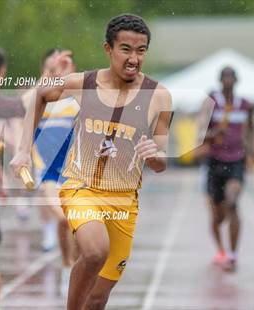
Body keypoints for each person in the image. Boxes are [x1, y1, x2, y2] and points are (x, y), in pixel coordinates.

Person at [11, 14, 172, 310]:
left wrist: (155, 154)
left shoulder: (159, 96)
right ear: (108, 49)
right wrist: (23, 149)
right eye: (126, 49)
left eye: (141, 50)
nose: (134, 58)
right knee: (95, 251)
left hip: (124, 202)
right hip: (80, 188)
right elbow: (38, 97)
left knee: (98, 299)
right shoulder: (82, 83)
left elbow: (161, 161)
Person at [199, 67, 254, 271]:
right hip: (215, 161)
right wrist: (215, 132)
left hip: (236, 161)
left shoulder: (245, 105)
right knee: (218, 216)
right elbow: (200, 135)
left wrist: (252, 149)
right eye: (225, 77)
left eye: (231, 77)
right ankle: (221, 250)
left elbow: (250, 129)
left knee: (233, 203)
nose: (228, 81)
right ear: (220, 80)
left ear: (236, 80)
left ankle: (232, 256)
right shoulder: (211, 102)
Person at [32, 48, 78, 295]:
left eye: (63, 68)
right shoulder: (39, 96)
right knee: (63, 218)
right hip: (48, 172)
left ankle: (77, 266)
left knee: (79, 228)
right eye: (51, 69)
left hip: (74, 173)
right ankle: (67, 265)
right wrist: (52, 72)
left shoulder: (76, 96)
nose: (58, 72)